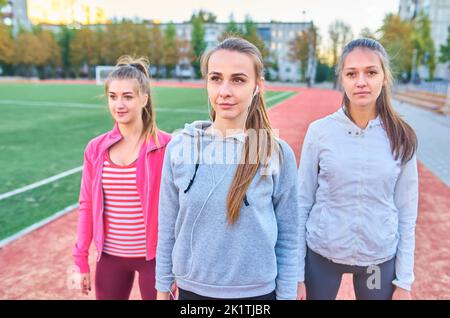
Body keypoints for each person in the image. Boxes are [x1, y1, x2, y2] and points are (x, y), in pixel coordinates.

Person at [155, 37, 299, 300]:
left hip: (257, 296)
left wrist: (287, 296)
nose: (224, 91)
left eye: (238, 79)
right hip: (192, 293)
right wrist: (162, 287)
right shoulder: (179, 149)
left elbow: (289, 237)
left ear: (257, 87)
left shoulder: (275, 153)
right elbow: (167, 227)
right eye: (216, 78)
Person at [297, 38, 419, 300]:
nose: (361, 81)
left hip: (376, 260)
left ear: (384, 77)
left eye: (371, 72)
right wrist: (296, 274)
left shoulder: (402, 136)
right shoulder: (320, 132)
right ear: (342, 78)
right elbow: (301, 203)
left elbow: (407, 213)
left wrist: (404, 282)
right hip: (323, 254)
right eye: (352, 73)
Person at [72, 56, 171, 300]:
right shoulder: (95, 149)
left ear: (144, 99)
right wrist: (80, 261)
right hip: (110, 258)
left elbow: (181, 207)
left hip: (156, 259)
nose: (120, 104)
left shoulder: (167, 146)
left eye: (128, 96)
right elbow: (86, 205)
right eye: (113, 96)